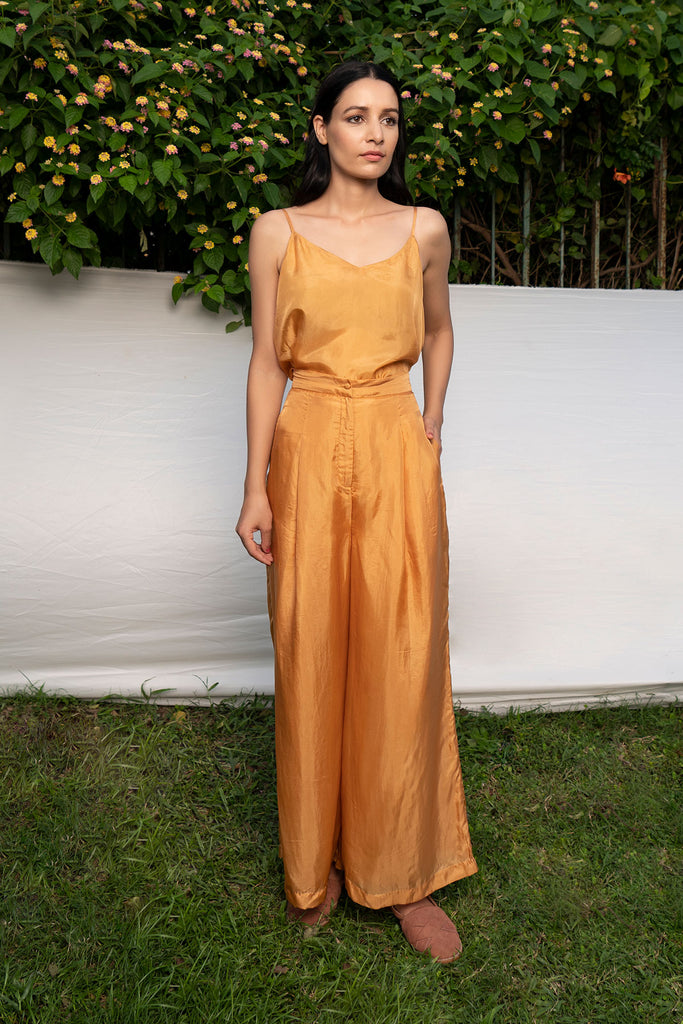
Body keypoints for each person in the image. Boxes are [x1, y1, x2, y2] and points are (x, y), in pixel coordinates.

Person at [235, 59, 477, 964]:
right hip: (304, 444)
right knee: (310, 647)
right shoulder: (277, 232)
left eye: (388, 119)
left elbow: (439, 329)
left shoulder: (423, 229)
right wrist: (254, 484)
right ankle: (315, 865)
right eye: (354, 116)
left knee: (399, 648)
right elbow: (267, 361)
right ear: (320, 129)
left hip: (392, 443)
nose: (375, 134)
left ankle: (401, 873)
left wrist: (432, 418)